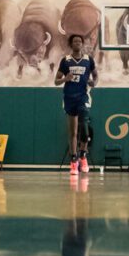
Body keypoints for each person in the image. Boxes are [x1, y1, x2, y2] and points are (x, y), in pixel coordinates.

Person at [55, 33, 97, 174]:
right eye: (75, 41)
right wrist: (65, 78)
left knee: (84, 127)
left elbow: (96, 75)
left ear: (82, 44)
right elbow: (56, 81)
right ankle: (74, 160)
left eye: (80, 41)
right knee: (72, 132)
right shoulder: (65, 61)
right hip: (69, 98)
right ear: (71, 44)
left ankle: (83, 155)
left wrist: (94, 82)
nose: (78, 43)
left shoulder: (88, 60)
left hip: (83, 97)